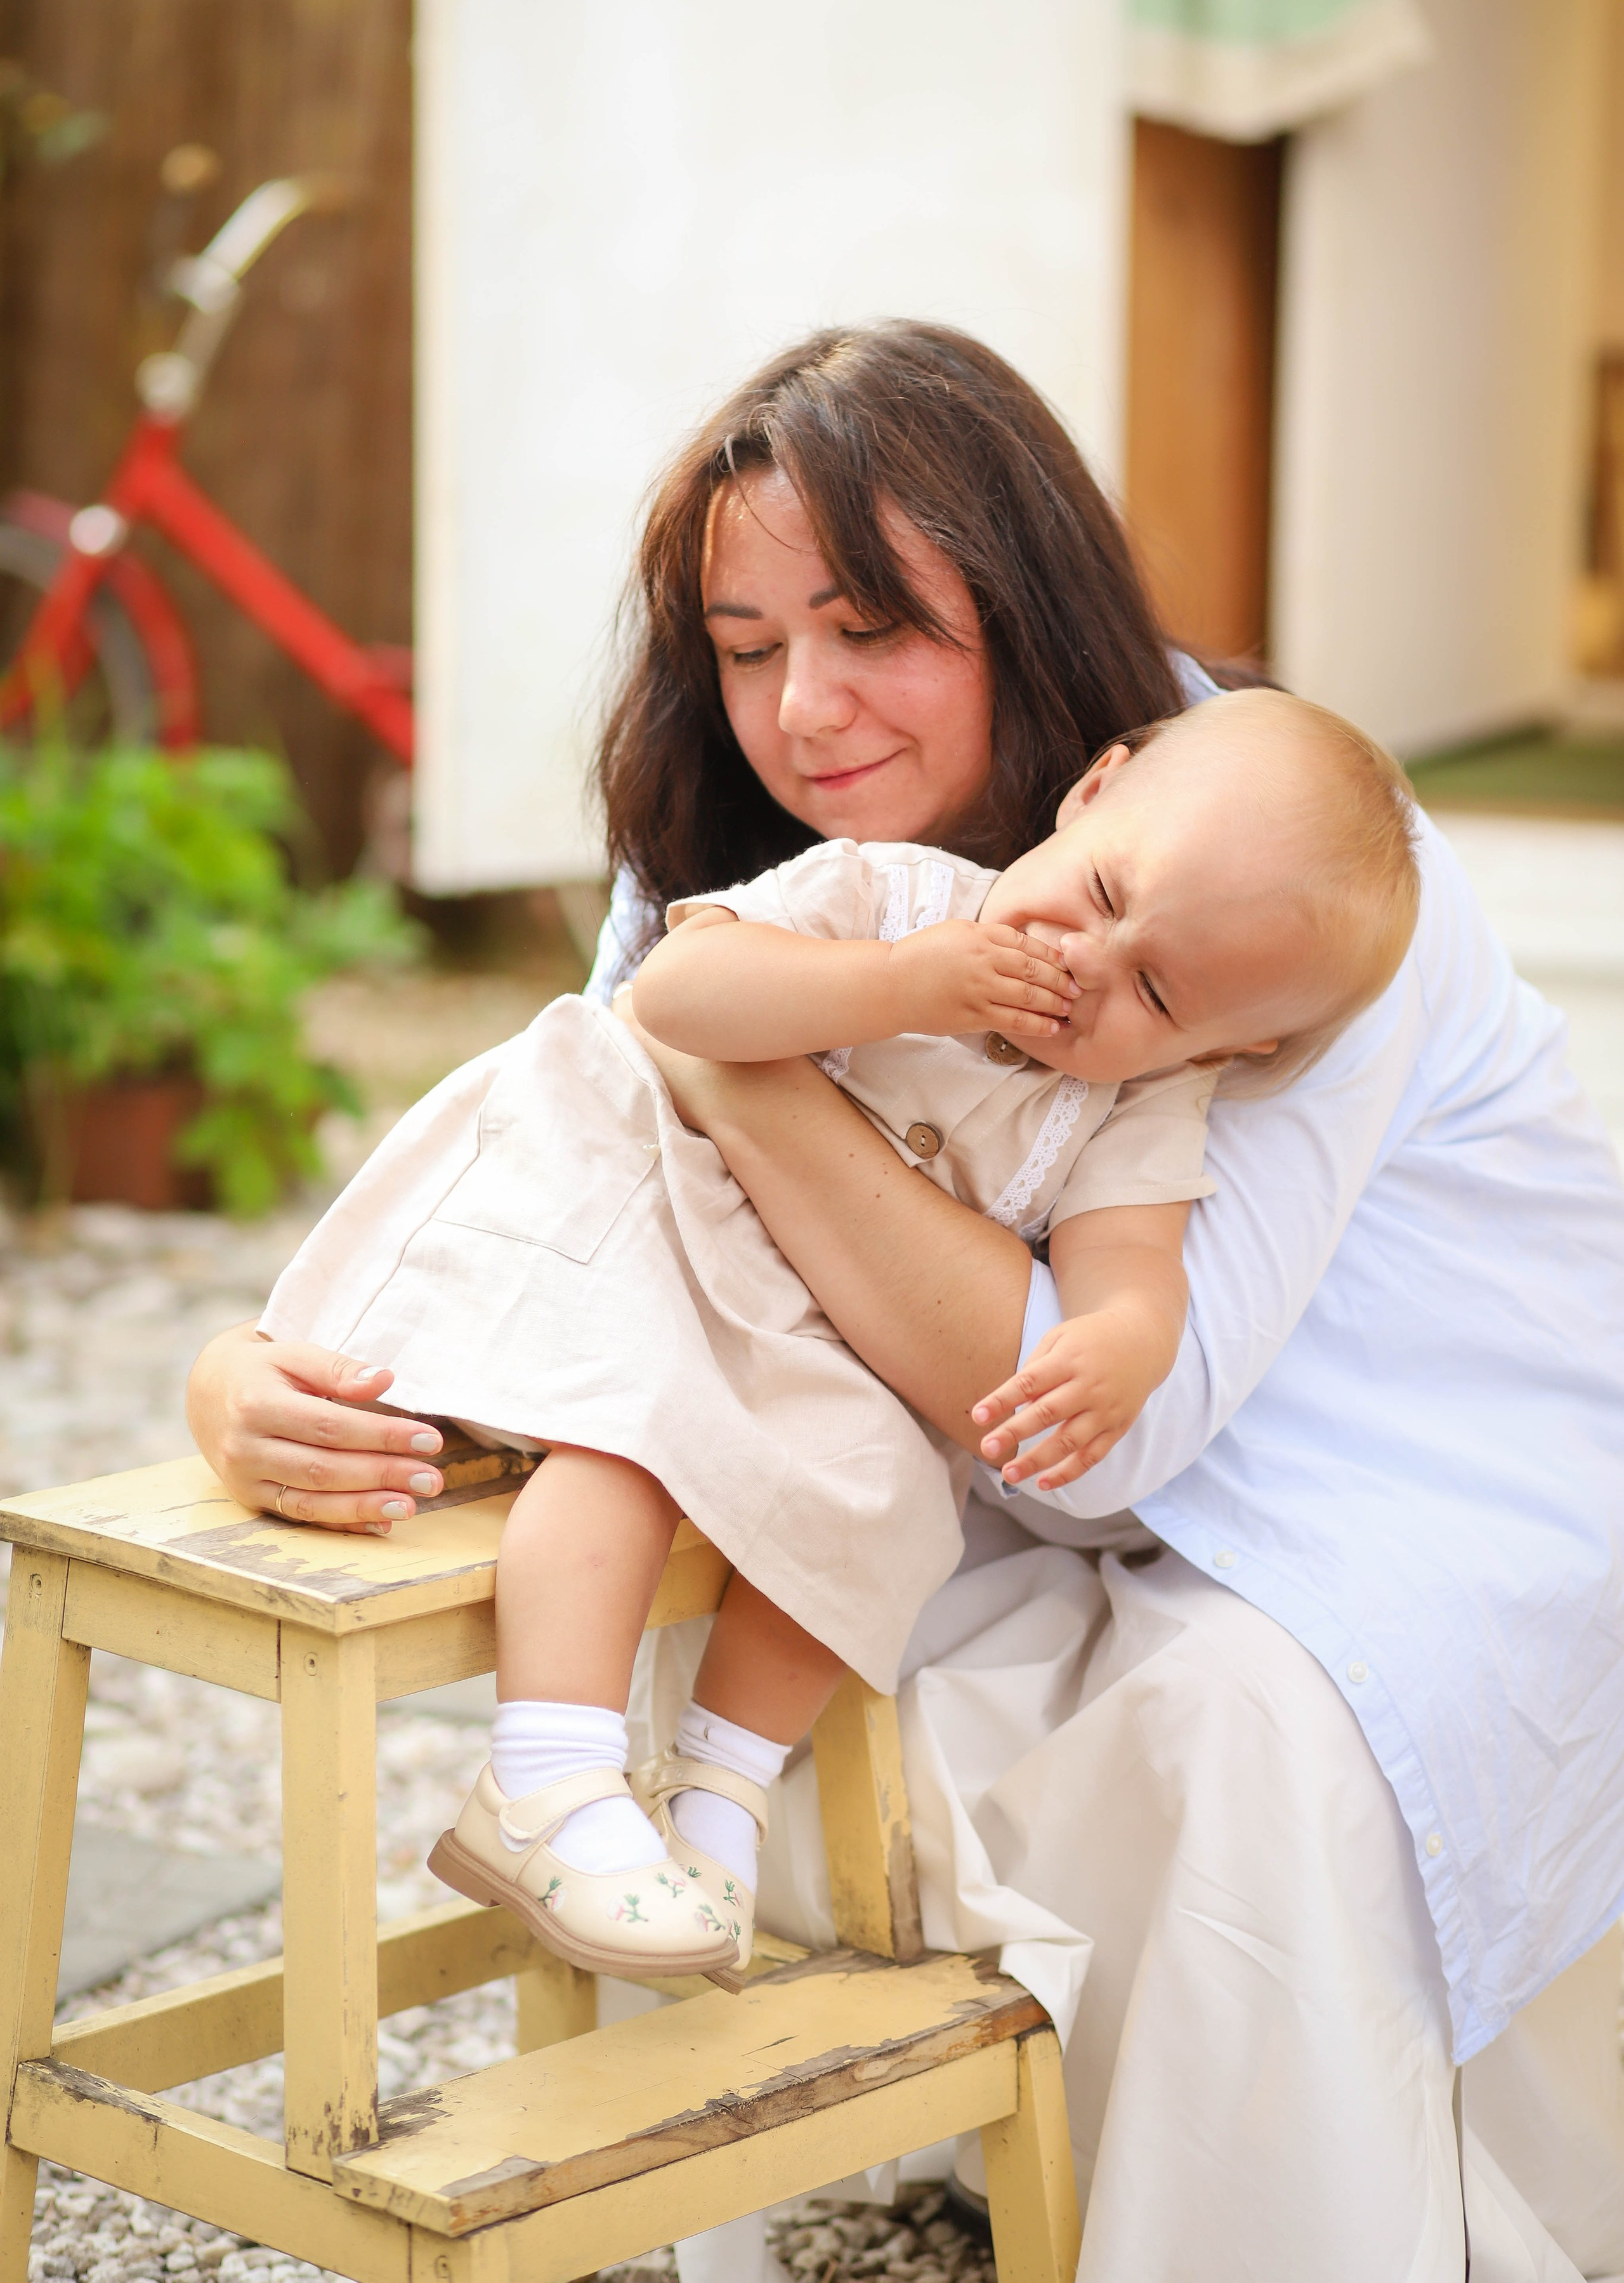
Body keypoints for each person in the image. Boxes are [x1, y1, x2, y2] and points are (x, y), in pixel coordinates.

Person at [187, 322, 1624, 2282]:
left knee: (1238, 1720)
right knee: (728, 1560)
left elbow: (1124, 1415)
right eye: (747, 638)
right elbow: (584, 1210)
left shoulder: (1279, 872)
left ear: (1028, 619)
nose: (806, 708)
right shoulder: (745, 851)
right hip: (1002, 1474)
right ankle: (800, 2101)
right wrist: (256, 1371)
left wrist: (747, 1060)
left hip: (1398, 1472)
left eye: (873, 628)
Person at [256, 690, 1419, 1985]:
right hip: (649, 1207)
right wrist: (899, 986)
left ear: (1229, 1040)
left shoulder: (1139, 1102)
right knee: (630, 1438)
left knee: (889, 1495)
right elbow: (682, 991)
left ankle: (717, 1789)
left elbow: (1131, 1264)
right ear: (1090, 794)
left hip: (793, 1323)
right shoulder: (895, 896)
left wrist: (1124, 1340)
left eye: (1150, 986)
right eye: (1096, 893)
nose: (1089, 960)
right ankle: (542, 1773)